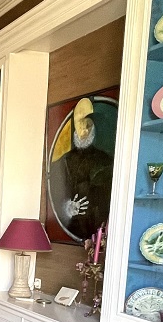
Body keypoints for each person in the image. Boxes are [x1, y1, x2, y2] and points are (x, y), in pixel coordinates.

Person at [47, 97, 115, 241]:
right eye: (80, 124)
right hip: (73, 229)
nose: (83, 130)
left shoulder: (106, 161)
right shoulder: (63, 162)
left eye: (88, 124)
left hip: (98, 231)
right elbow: (54, 195)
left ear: (94, 128)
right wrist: (67, 208)